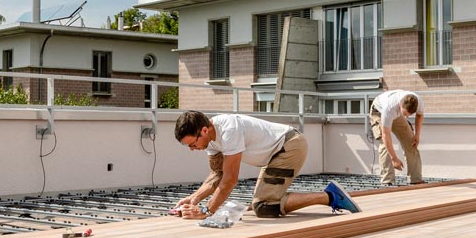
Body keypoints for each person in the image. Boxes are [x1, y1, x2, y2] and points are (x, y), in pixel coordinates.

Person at [172, 109, 359, 220]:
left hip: (290, 146)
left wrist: (206, 210)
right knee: (262, 204)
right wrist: (194, 199)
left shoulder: (229, 130)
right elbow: (217, 175)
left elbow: (229, 179)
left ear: (204, 130)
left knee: (264, 206)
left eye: (192, 144)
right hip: (276, 153)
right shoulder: (210, 141)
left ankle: (330, 196)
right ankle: (330, 195)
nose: (192, 149)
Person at [370, 88, 424, 186]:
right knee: (385, 144)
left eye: (409, 115)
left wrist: (417, 135)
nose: (407, 117)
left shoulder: (419, 102)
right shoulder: (389, 108)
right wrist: (394, 158)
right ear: (400, 105)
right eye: (405, 114)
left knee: (411, 142)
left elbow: (419, 116)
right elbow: (386, 135)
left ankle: (416, 179)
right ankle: (387, 181)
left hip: (398, 115)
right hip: (379, 112)